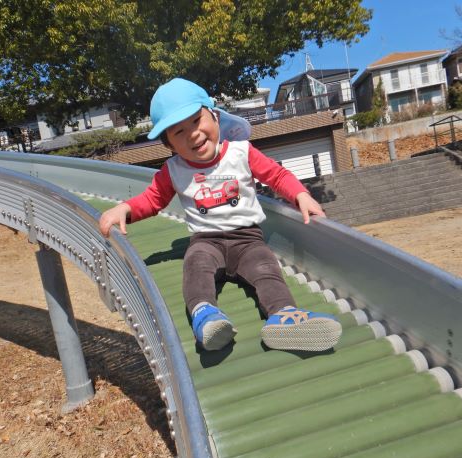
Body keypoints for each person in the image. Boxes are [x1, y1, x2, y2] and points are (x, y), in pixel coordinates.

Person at [99, 78, 341, 352]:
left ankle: (284, 315)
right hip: (207, 241)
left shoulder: (241, 152)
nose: (192, 134)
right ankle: (206, 316)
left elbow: (276, 175)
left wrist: (300, 195)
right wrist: (125, 208)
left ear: (215, 117)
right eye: (179, 132)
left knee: (266, 268)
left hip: (248, 239)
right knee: (195, 267)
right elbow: (153, 199)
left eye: (196, 121)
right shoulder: (173, 170)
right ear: (169, 145)